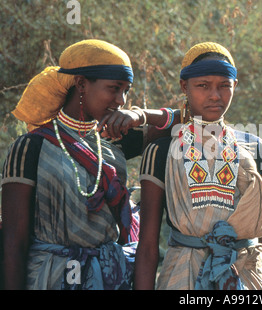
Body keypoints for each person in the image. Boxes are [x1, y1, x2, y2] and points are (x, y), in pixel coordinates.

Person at [1, 39, 176, 290]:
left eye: (126, 90)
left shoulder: (115, 141)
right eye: (114, 88)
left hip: (108, 279)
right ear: (81, 83)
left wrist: (140, 115)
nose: (121, 100)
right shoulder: (31, 147)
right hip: (48, 279)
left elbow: (193, 121)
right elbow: (13, 243)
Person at [134, 42, 262, 290]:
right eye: (203, 86)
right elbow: (148, 246)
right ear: (185, 86)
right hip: (183, 277)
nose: (215, 95)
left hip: (245, 276)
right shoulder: (161, 151)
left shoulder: (254, 148)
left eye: (224, 85)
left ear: (235, 86)